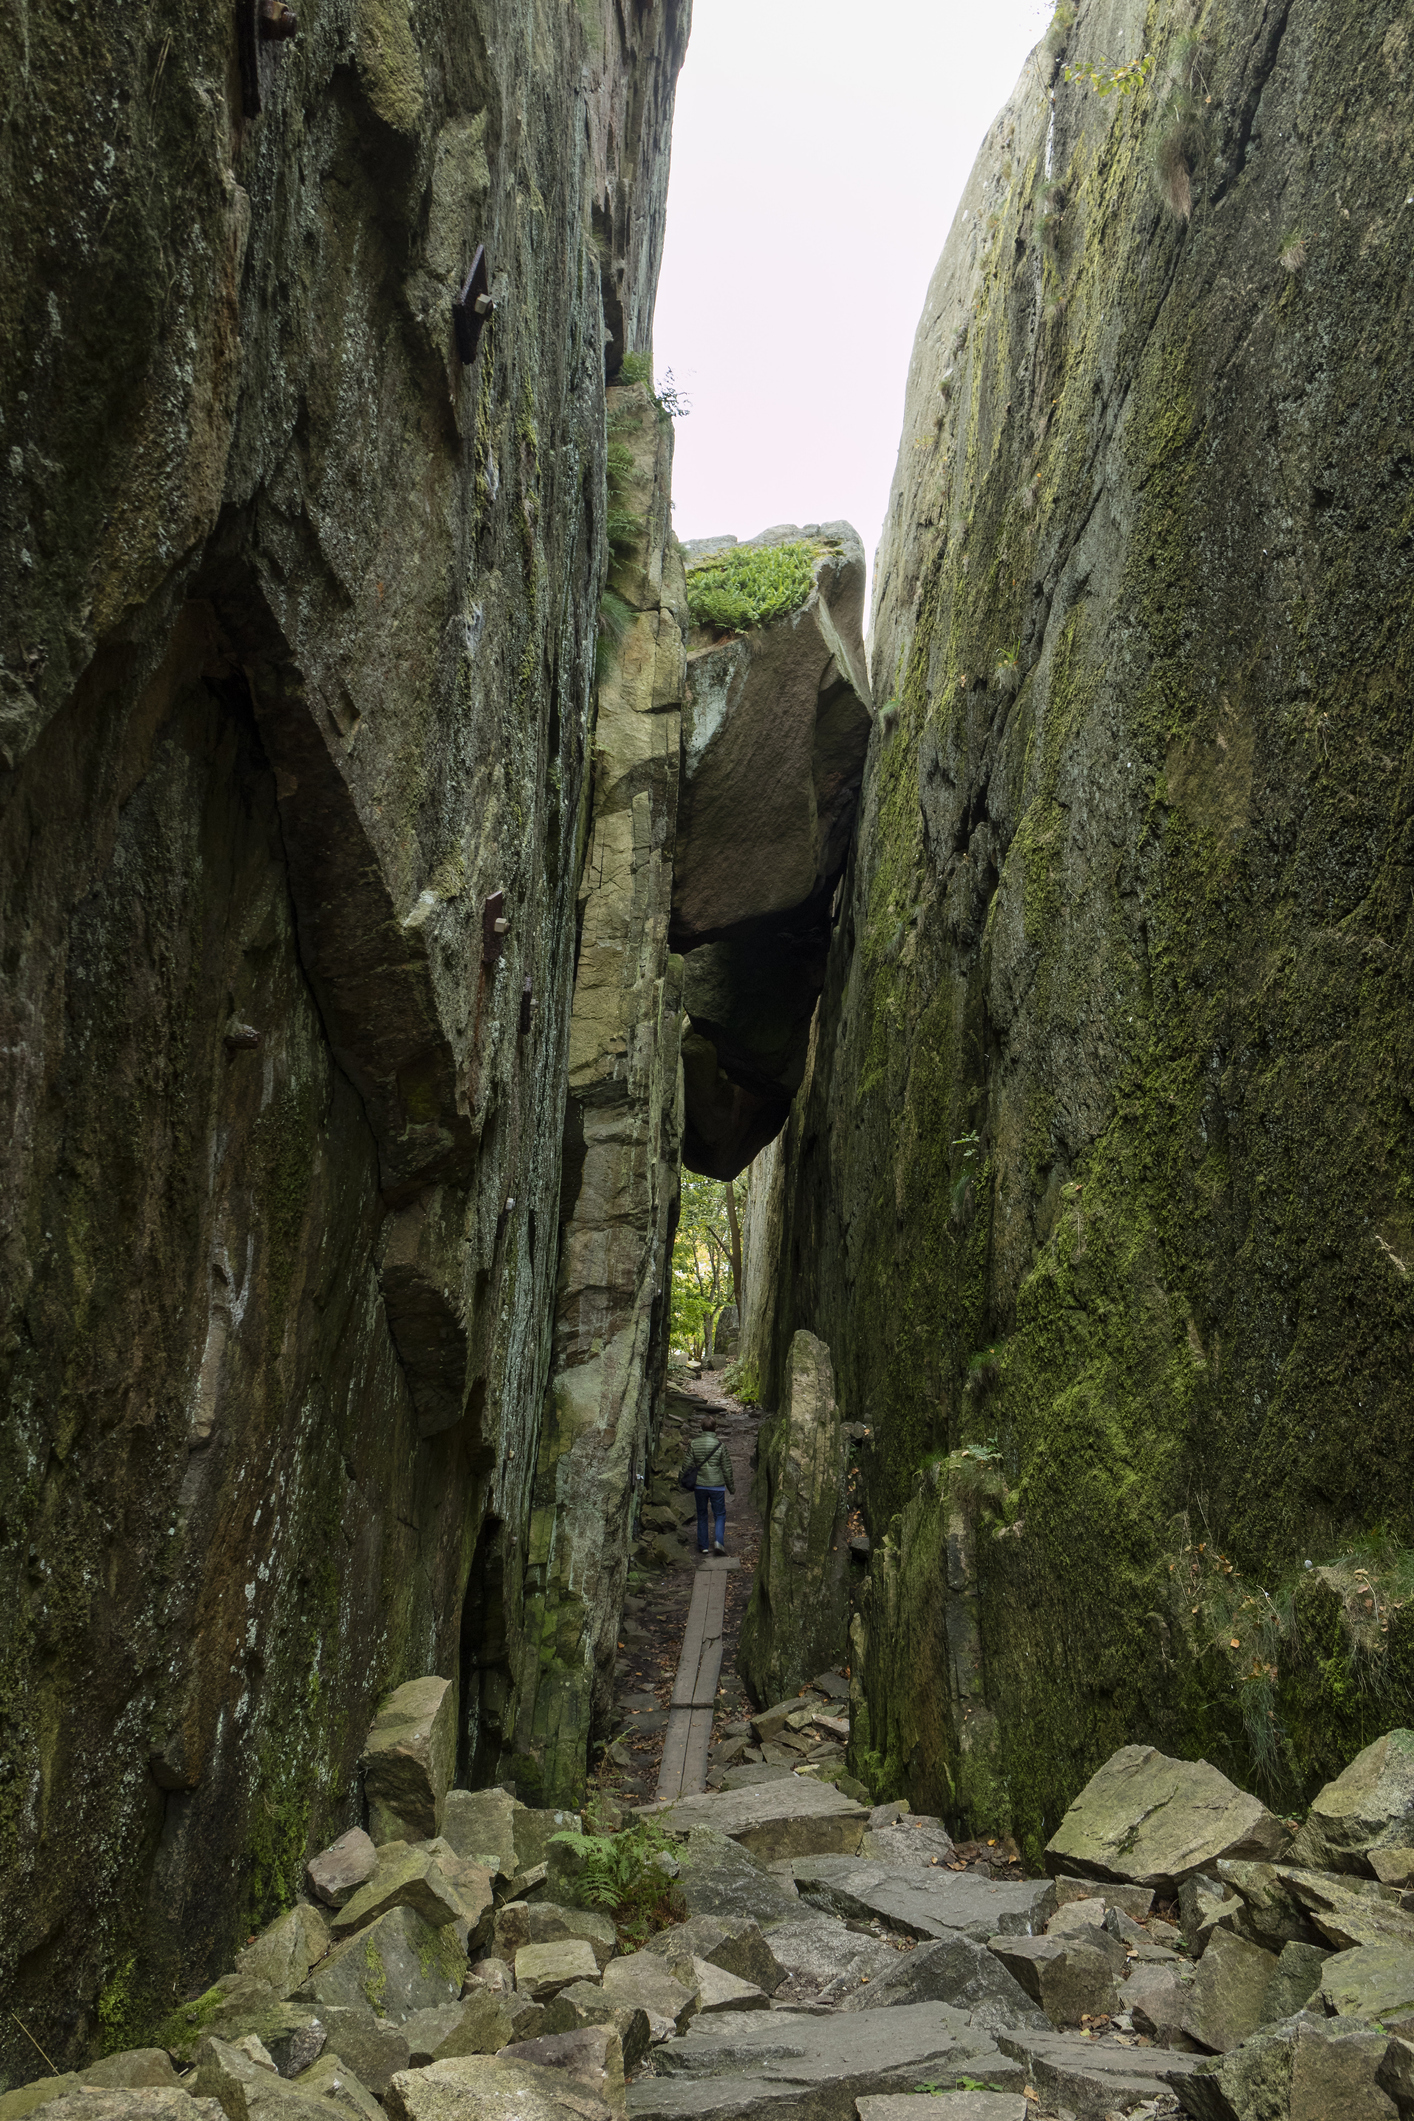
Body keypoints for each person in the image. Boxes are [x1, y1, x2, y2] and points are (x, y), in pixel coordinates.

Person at [689, 1418, 733, 1555]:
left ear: (701, 1427)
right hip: (717, 1485)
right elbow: (726, 1469)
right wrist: (731, 1486)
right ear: (715, 1428)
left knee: (702, 1514)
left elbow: (687, 1465)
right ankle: (719, 1542)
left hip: (700, 1485)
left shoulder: (694, 1444)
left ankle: (704, 1546)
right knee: (719, 1514)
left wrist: (682, 1480)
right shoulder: (720, 1445)